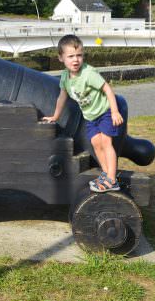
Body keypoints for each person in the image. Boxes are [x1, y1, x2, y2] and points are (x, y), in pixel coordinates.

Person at [42, 35, 125, 193]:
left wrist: (114, 111)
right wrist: (55, 116)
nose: (76, 60)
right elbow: (62, 97)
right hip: (91, 117)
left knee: (106, 142)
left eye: (79, 55)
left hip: (104, 112)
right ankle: (106, 173)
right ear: (61, 58)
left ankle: (112, 179)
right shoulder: (66, 77)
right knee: (96, 144)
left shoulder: (88, 73)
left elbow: (107, 89)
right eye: (71, 56)